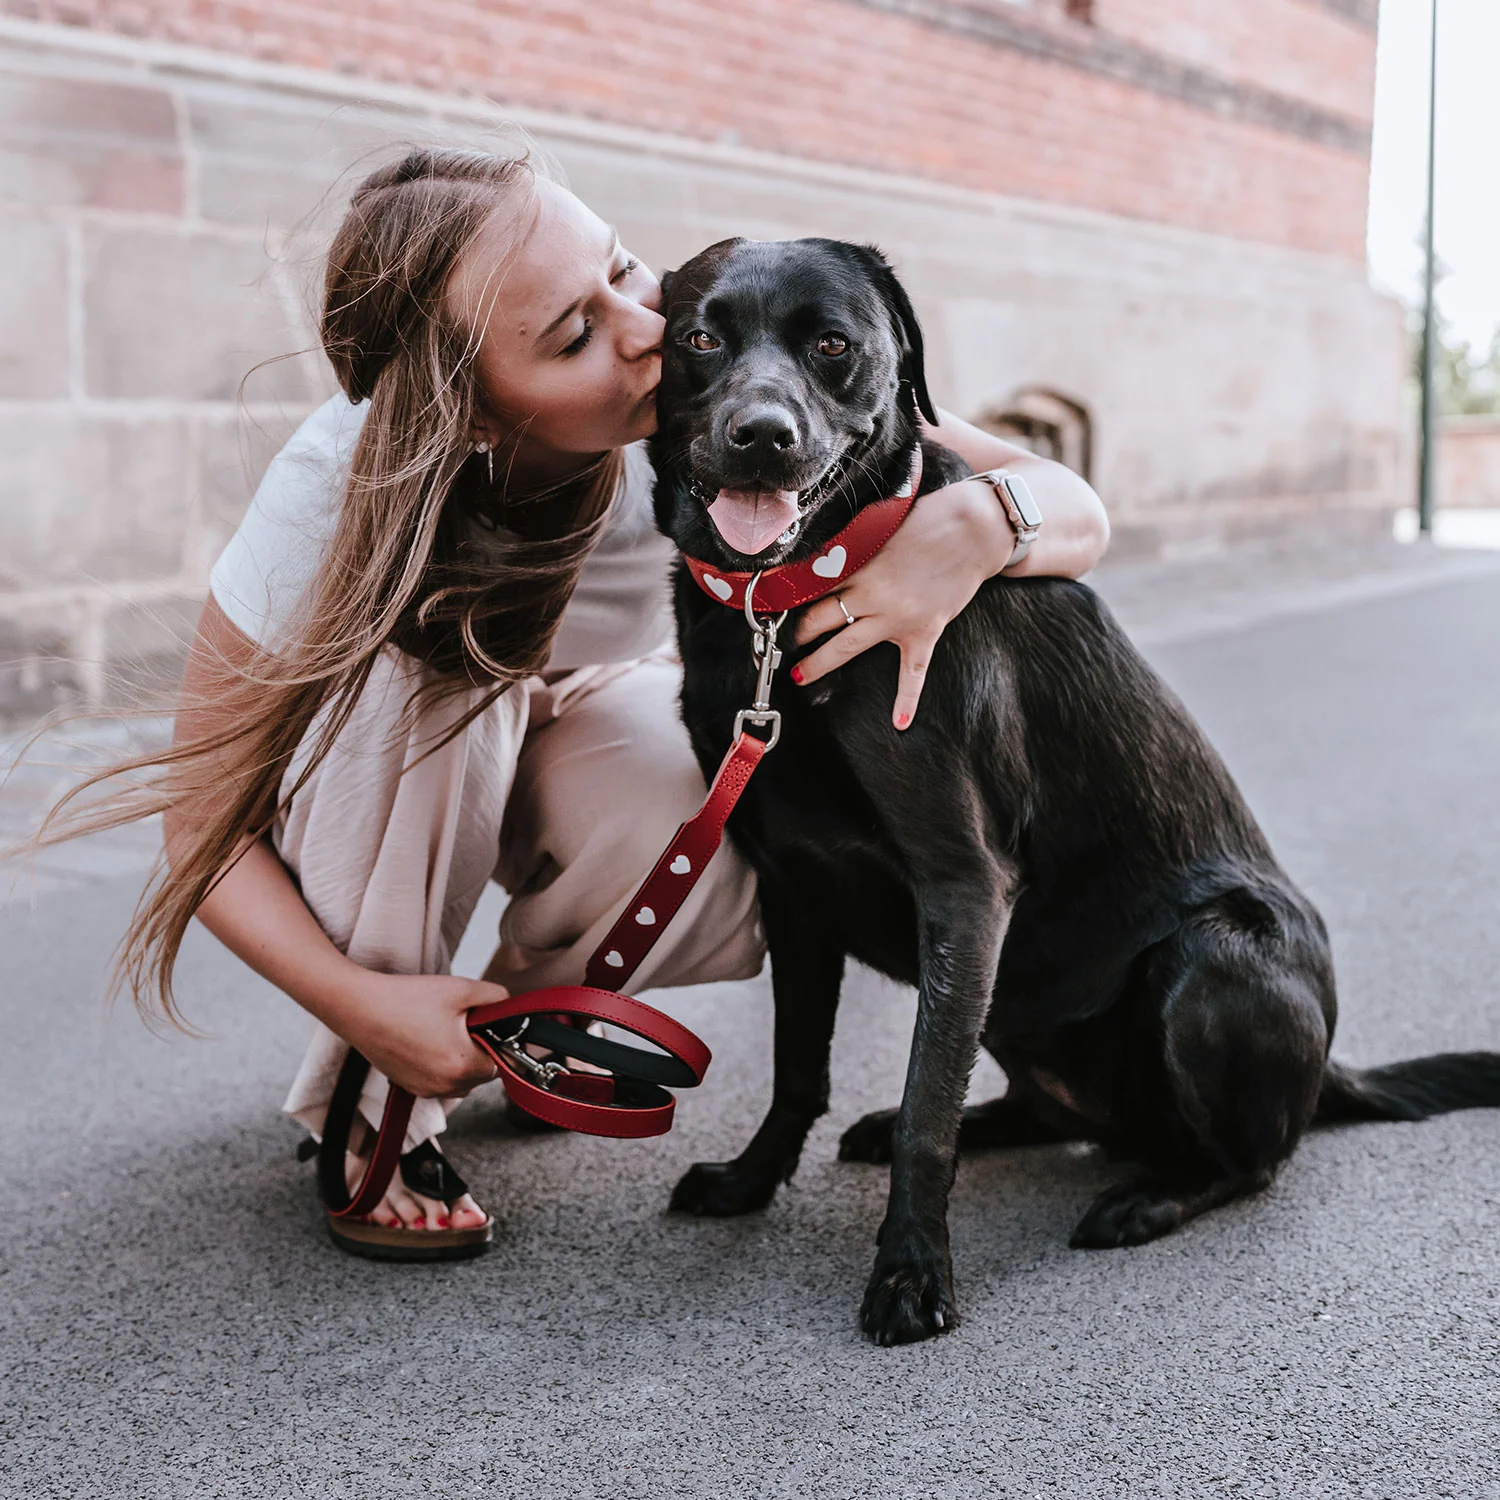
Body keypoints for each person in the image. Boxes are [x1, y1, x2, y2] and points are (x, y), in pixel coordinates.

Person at [34, 146, 1109, 1259]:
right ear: (476, 415)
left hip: (580, 707)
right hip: (400, 750)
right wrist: (359, 1003)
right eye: (572, 336)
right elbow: (199, 826)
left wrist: (984, 525)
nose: (646, 330)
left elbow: (1068, 501)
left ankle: (521, 1030)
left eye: (623, 267)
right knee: (424, 702)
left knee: (699, 787)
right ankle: (375, 1098)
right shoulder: (334, 492)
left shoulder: (709, 377)